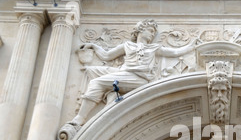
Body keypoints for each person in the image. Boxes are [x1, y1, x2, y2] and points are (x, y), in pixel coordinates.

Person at [70, 19, 198, 126]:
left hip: (140, 79)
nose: (152, 35)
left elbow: (175, 52)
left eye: (154, 32)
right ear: (140, 30)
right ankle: (95, 115)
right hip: (125, 75)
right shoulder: (127, 46)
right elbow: (106, 56)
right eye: (151, 31)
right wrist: (94, 46)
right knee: (97, 80)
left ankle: (81, 118)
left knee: (96, 83)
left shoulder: (153, 48)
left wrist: (191, 46)